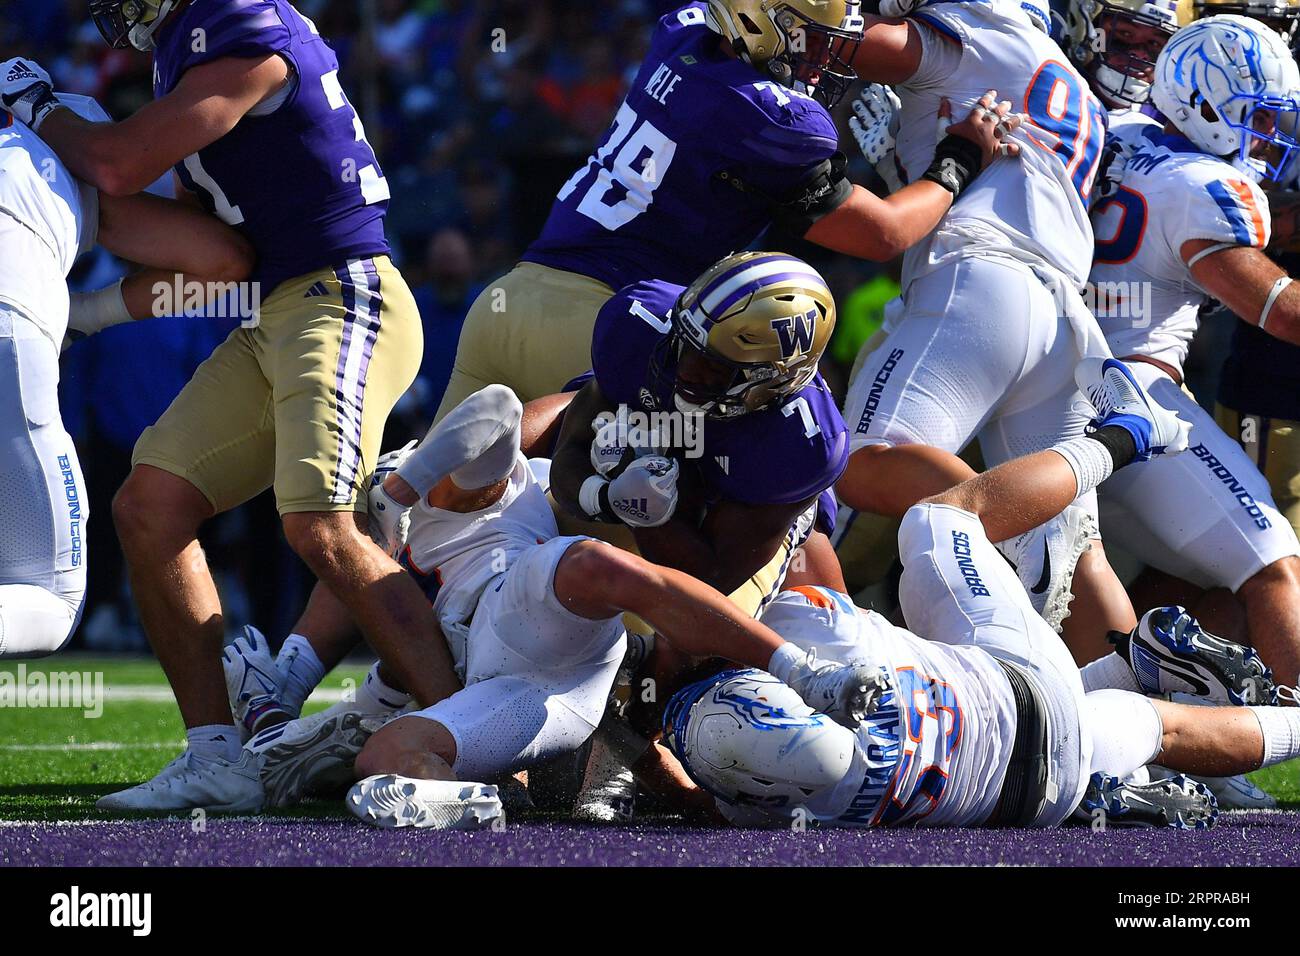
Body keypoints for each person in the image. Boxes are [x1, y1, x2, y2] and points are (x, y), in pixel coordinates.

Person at [0, 0, 454, 811]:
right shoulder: (184, 46)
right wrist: (81, 303)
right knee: (148, 507)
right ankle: (217, 757)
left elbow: (115, 165)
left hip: (343, 294)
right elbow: (217, 254)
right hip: (271, 304)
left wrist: (37, 105)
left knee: (318, 524)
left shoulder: (248, 23)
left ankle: (469, 737)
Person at [666, 358, 1300, 829]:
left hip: (1038, 794)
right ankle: (1131, 431)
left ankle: (1132, 678)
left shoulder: (767, 813)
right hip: (1019, 676)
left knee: (1163, 730)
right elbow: (781, 596)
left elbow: (699, 789)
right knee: (938, 519)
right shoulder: (806, 635)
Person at [240, 385, 882, 827]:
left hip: (554, 653)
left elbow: (499, 409)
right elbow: (499, 414)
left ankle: (800, 672)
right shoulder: (458, 509)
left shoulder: (457, 491)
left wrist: (398, 493)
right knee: (381, 757)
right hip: (533, 670)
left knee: (594, 572)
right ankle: (477, 799)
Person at [434, 0, 1018, 420]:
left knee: (420, 531)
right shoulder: (778, 119)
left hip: (507, 303)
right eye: (814, 41)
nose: (825, 61)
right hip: (610, 327)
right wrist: (958, 158)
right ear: (765, 24)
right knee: (660, 560)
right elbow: (884, 234)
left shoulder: (681, 33)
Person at [1085, 16, 1300, 702]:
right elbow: (1281, 311)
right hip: (1135, 401)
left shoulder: (1113, 133)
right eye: (1260, 117)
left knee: (1200, 579)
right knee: (1273, 564)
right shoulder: (1202, 184)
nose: (1270, 136)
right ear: (1206, 98)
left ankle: (1171, 732)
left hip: (1053, 389)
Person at [0, 89, 254, 660]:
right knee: (51, 602)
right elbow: (224, 263)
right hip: (10, 336)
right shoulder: (79, 180)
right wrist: (88, 314)